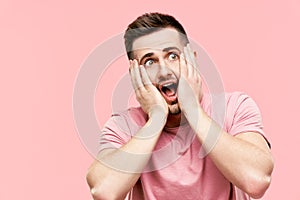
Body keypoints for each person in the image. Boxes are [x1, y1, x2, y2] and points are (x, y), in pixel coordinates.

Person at [86, 12, 274, 200]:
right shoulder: (124, 125)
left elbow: (256, 180)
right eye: (150, 62)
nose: (164, 70)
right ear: (135, 74)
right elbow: (103, 191)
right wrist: (156, 118)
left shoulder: (235, 108)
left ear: (192, 59)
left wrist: (193, 109)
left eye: (172, 56)